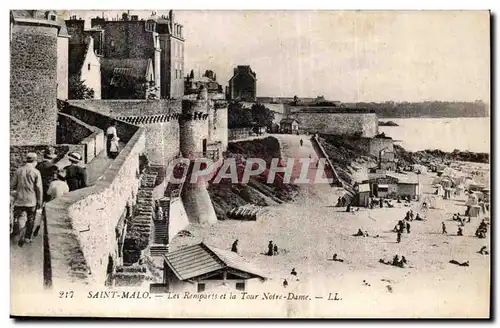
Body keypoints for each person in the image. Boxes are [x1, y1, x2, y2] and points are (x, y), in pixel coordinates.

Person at [11, 153, 43, 246]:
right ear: (35, 161)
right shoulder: (36, 172)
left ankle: (20, 232)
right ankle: (27, 237)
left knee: (20, 216)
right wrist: (40, 201)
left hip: (19, 199)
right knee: (31, 219)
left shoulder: (19, 170)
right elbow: (39, 188)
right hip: (31, 200)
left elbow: (12, 185)